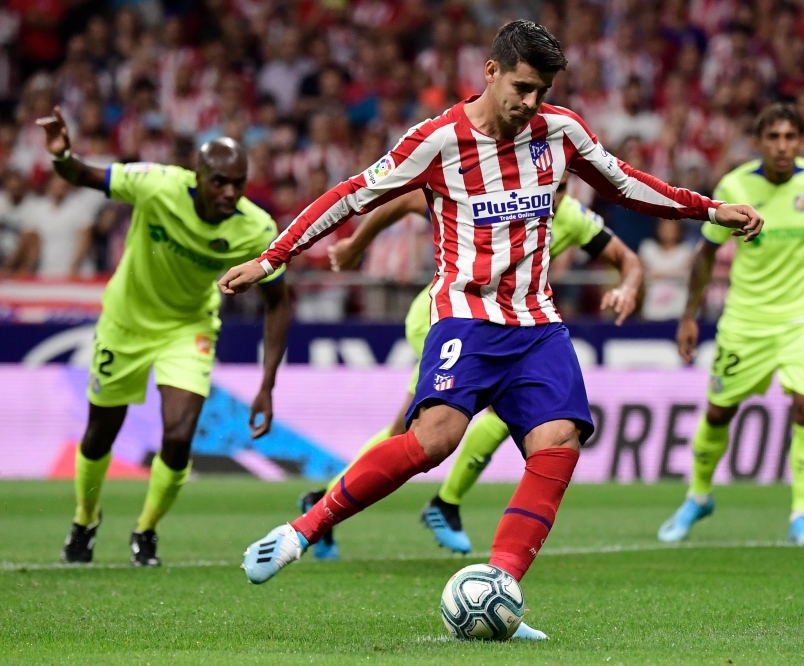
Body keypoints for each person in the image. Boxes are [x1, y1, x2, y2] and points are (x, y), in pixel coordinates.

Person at [221, 21, 761, 638]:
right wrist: (273, 257)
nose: (530, 103)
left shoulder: (561, 132)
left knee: (558, 440)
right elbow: (352, 196)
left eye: (542, 90)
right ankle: (302, 531)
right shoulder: (438, 142)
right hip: (465, 318)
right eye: (523, 87)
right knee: (433, 440)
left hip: (536, 323)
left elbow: (627, 184)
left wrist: (708, 209)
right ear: (491, 71)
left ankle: (500, 587)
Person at [297, 172, 643, 560]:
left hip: (498, 330)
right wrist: (356, 243)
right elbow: (408, 199)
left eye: (560, 188)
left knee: (406, 434)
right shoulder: (496, 200)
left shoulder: (572, 217)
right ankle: (443, 503)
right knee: (476, 419)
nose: (551, 193)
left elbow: (627, 259)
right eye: (549, 185)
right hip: (445, 321)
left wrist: (627, 286)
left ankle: (325, 503)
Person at [36, 107, 292, 567]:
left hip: (188, 327)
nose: (230, 192)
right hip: (126, 322)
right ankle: (85, 519)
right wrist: (61, 154)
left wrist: (267, 384)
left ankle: (146, 531)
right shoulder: (156, 184)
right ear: (197, 175)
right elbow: (84, 174)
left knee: (178, 437)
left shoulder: (257, 227)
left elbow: (279, 302)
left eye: (239, 183)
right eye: (220, 182)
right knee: (99, 436)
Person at [657, 103, 804, 546]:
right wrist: (689, 317)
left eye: (791, 137)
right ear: (758, 143)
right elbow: (706, 254)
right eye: (773, 138)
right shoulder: (735, 187)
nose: (782, 146)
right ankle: (698, 497)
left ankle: (802, 519)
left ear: (803, 143)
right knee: (719, 412)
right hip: (745, 321)